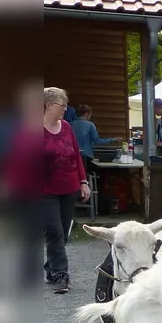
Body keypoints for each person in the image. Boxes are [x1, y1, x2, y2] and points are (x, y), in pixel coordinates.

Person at [38, 87, 91, 293]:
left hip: (69, 187)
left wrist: (83, 182)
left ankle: (51, 267)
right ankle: (61, 275)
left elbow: (76, 156)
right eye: (62, 104)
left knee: (63, 232)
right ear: (48, 105)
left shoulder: (67, 127)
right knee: (54, 231)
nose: (65, 108)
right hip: (44, 190)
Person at [72, 103, 104, 170]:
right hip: (86, 156)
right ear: (87, 114)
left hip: (72, 155)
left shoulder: (70, 124)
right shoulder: (90, 125)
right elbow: (97, 140)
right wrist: (113, 139)